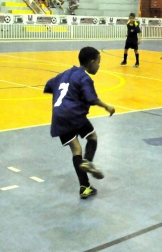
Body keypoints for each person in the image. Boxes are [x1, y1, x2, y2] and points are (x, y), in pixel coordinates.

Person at [43, 47, 115, 199]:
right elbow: (91, 98)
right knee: (92, 137)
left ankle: (85, 187)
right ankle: (88, 162)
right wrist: (106, 106)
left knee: (76, 150)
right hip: (73, 114)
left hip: (58, 116)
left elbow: (48, 86)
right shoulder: (84, 78)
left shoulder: (63, 74)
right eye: (98, 62)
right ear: (91, 62)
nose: (99, 66)